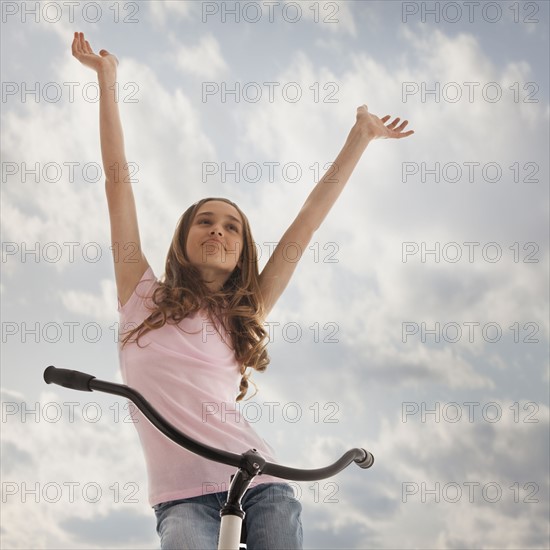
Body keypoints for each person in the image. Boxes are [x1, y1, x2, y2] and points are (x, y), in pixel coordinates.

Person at [71, 31, 414, 550]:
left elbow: (306, 223)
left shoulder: (243, 312)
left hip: (259, 480)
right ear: (182, 241)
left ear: (242, 250)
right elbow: (117, 181)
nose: (217, 231)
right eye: (205, 222)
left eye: (231, 227)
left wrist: (359, 138)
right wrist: (108, 81)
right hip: (181, 498)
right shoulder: (140, 294)